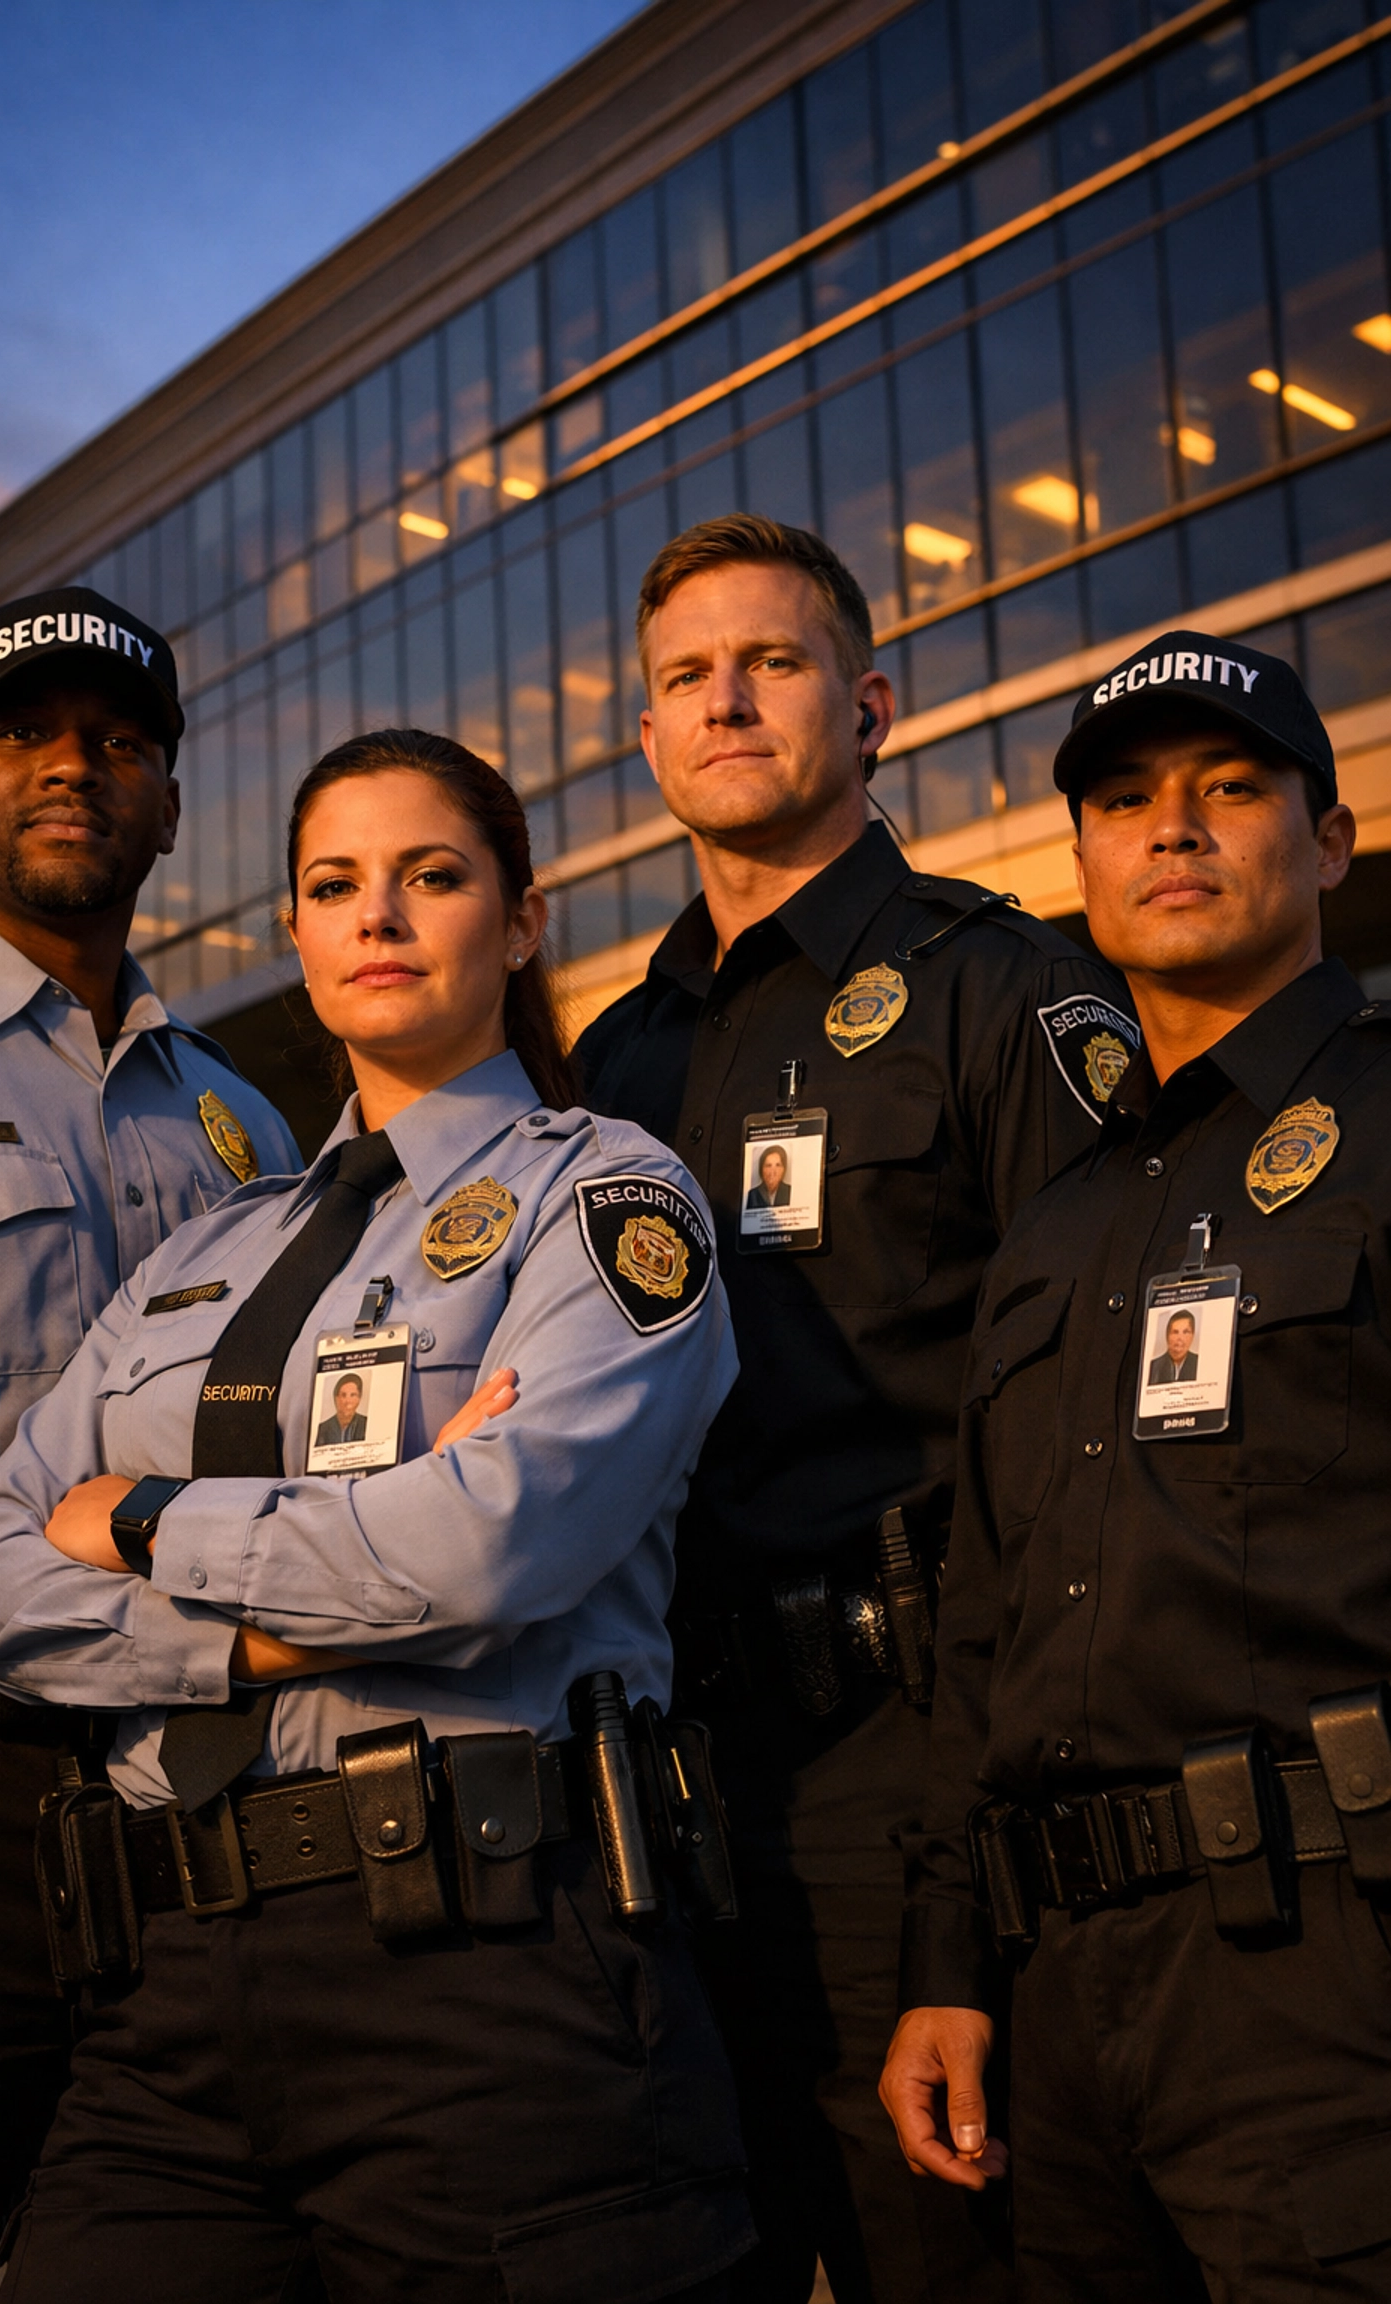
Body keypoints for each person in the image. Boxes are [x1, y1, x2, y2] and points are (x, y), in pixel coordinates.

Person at [0, 728, 756, 2304]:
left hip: (486, 1975)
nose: (378, 916)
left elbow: (486, 1552)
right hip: (166, 1995)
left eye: (431, 877)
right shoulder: (208, 1251)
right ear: (297, 939)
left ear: (518, 922)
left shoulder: (601, 1197)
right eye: (337, 885)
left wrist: (143, 1518)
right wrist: (266, 1633)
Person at [574, 516, 1139, 2304]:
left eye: (774, 661)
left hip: (926, 1743)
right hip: (676, 1780)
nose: (726, 700)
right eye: (686, 676)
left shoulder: (1003, 985)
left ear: (870, 703)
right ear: (648, 739)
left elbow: (1095, 1459)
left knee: (954, 2250)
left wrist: (966, 1881)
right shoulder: (615, 1062)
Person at [880, 631, 1391, 2297]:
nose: (1172, 828)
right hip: (1058, 1996)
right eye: (1124, 799)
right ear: (1079, 861)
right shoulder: (1057, 1220)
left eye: (1229, 788)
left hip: (1330, 1962)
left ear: (1328, 838)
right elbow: (983, 1629)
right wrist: (947, 1963)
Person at [0, 585, 298, 2304]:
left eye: (118, 741)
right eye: (27, 730)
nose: (72, 766)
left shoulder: (239, 1114)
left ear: (169, 799)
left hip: (184, 1818)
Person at [1147, 1310, 1199, 1384]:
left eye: (1186, 1332)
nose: (1180, 1338)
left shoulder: (1199, 1363)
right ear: (1167, 1335)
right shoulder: (1154, 1367)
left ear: (1192, 1335)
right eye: (1175, 1332)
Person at [316, 1373, 369, 1444]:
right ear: (336, 1398)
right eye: (343, 1395)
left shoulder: (367, 1424)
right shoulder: (323, 1429)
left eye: (353, 1395)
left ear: (359, 1399)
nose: (348, 1401)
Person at [746, 1145, 791, 1210]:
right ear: (761, 1169)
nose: (773, 1171)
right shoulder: (752, 1195)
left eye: (778, 1165)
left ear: (784, 1169)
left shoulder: (790, 1191)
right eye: (768, 1165)